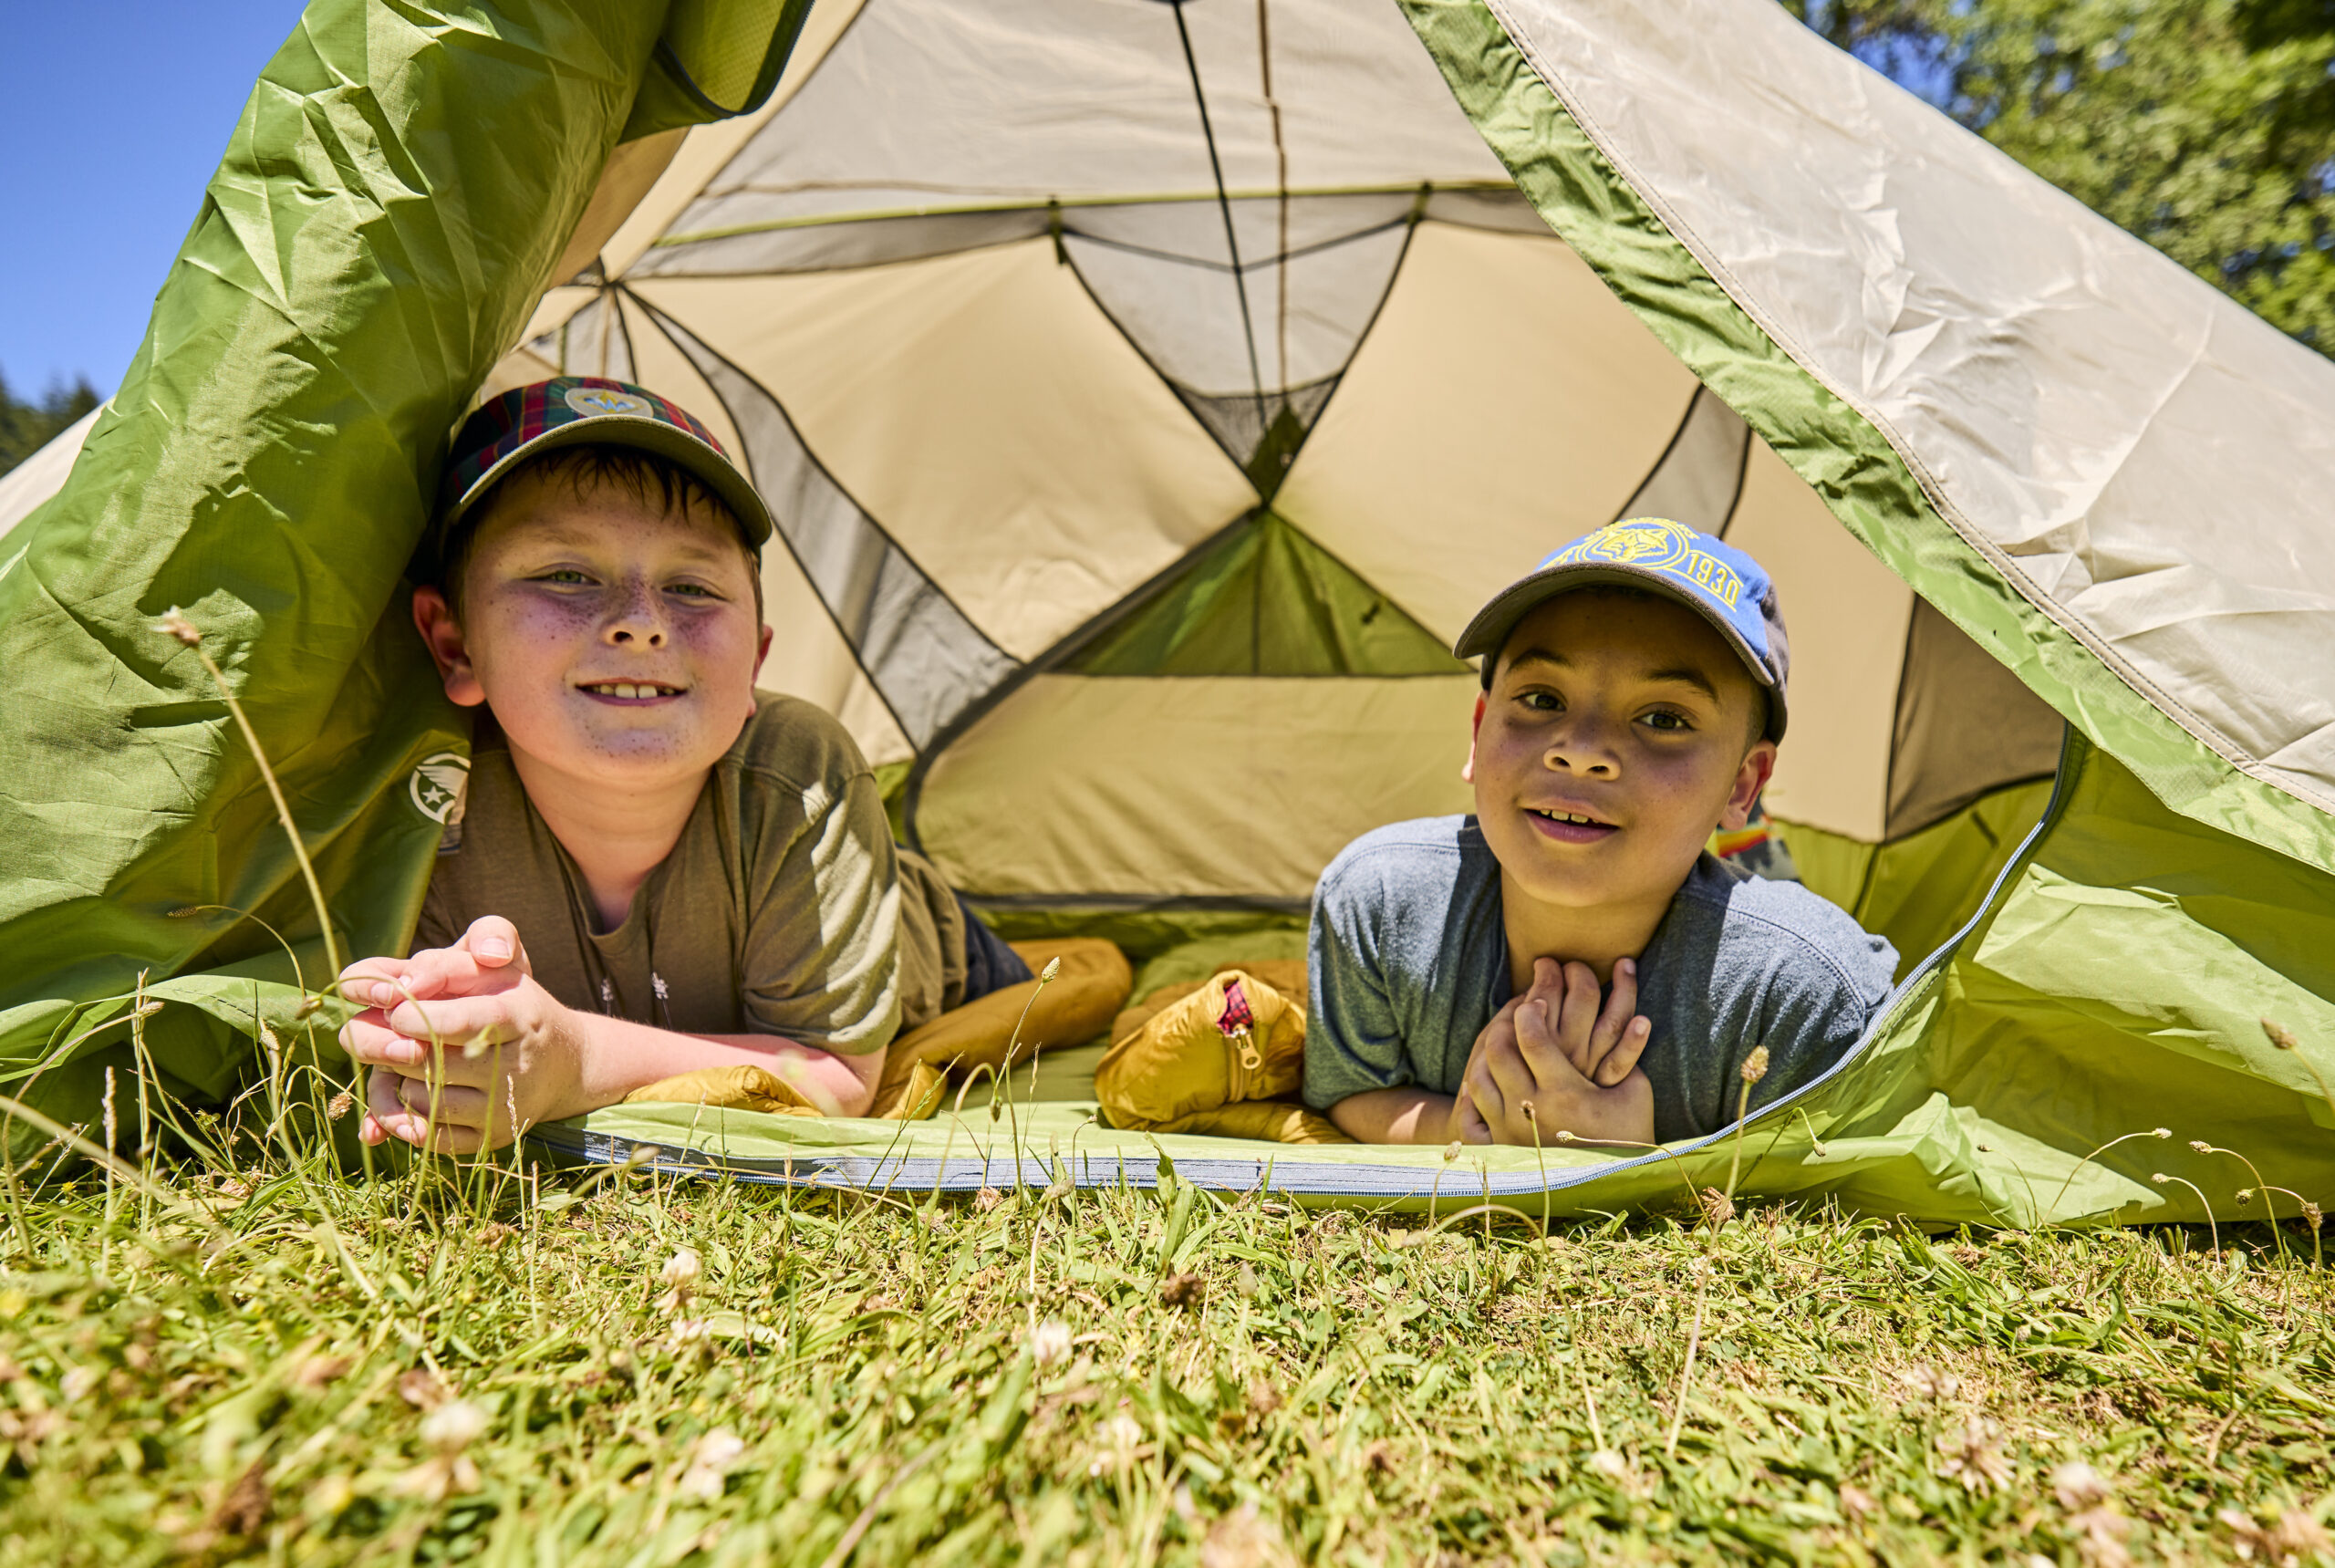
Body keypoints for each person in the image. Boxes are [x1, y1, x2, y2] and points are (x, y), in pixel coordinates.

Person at [334, 378, 1031, 1153]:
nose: (640, 622)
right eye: (566, 574)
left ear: (755, 666)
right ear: (454, 643)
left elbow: (836, 1075)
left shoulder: (800, 777)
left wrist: (575, 1059)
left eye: (692, 587)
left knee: (1041, 1000)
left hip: (933, 947)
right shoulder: (429, 804)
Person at [1303, 518, 1897, 1147]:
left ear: (1743, 786)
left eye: (1664, 717)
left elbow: (1839, 1201)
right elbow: (1352, 1095)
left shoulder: (1802, 993)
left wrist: (1632, 1163)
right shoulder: (1380, 904)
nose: (1582, 752)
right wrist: (1464, 1128)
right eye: (1541, 699)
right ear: (1478, 733)